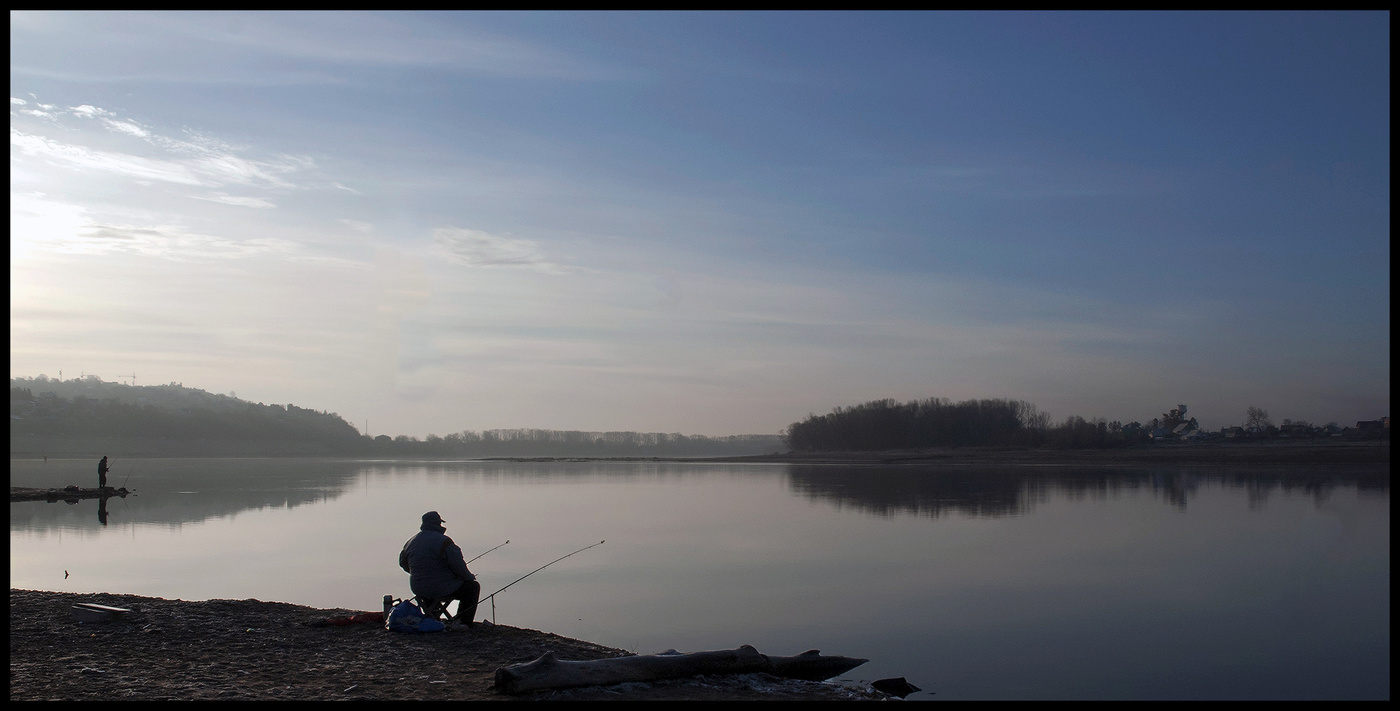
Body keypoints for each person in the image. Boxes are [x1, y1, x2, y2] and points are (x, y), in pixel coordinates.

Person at [399, 511, 480, 626]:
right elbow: (459, 567)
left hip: (418, 587)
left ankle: (433, 616)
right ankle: (463, 622)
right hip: (440, 588)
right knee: (472, 587)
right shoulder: (444, 542)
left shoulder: (411, 542)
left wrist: (419, 574)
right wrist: (469, 577)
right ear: (438, 523)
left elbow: (403, 563)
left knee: (431, 590)